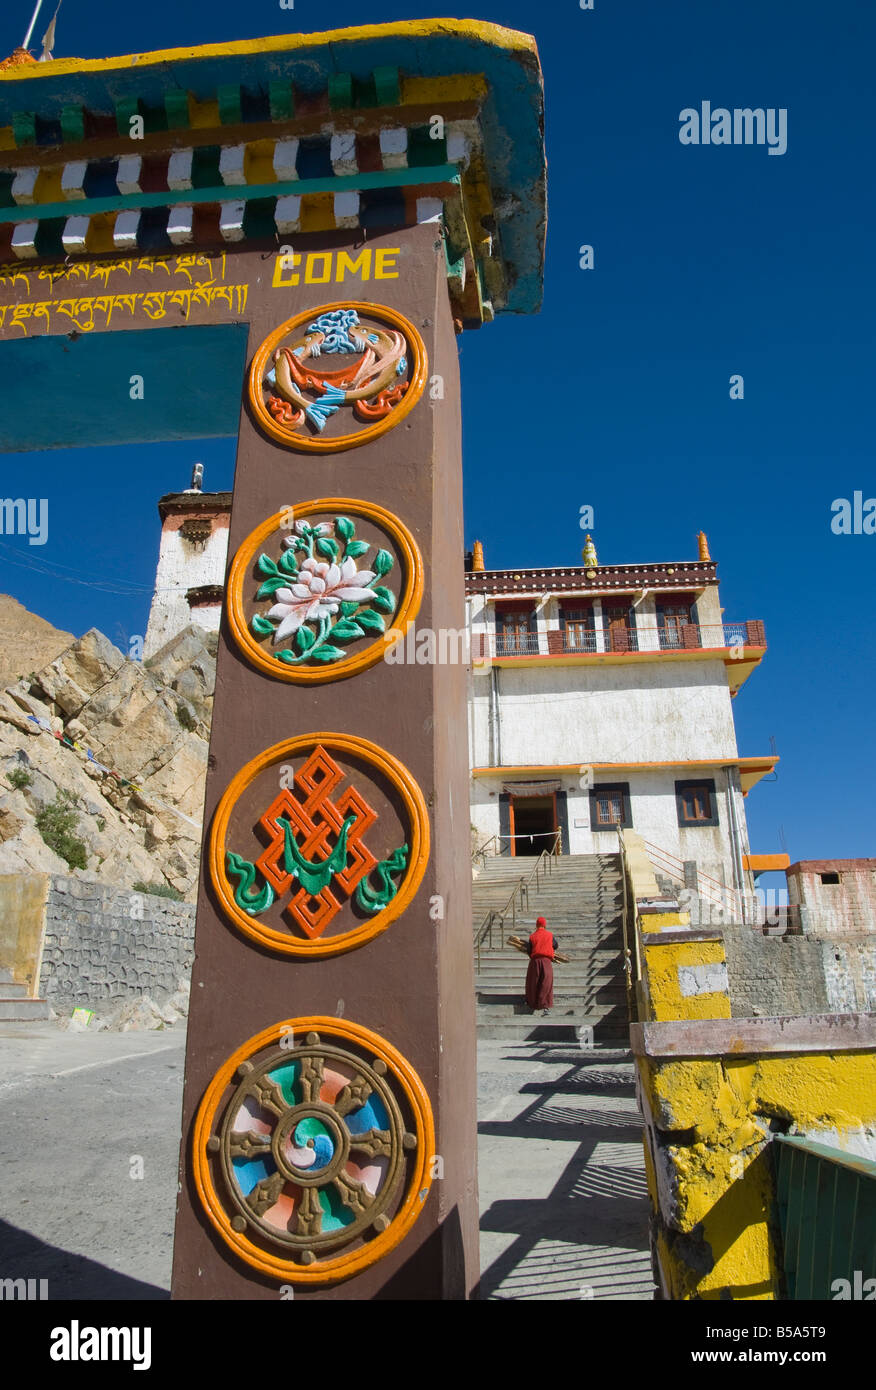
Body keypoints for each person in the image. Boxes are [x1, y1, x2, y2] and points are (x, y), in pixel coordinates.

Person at [525, 915, 558, 1015]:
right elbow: (555, 945)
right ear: (545, 925)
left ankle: (532, 1004)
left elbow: (529, 951)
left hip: (534, 962)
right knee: (546, 984)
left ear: (536, 925)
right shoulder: (550, 935)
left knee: (533, 983)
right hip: (546, 962)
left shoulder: (532, 936)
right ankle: (545, 1006)